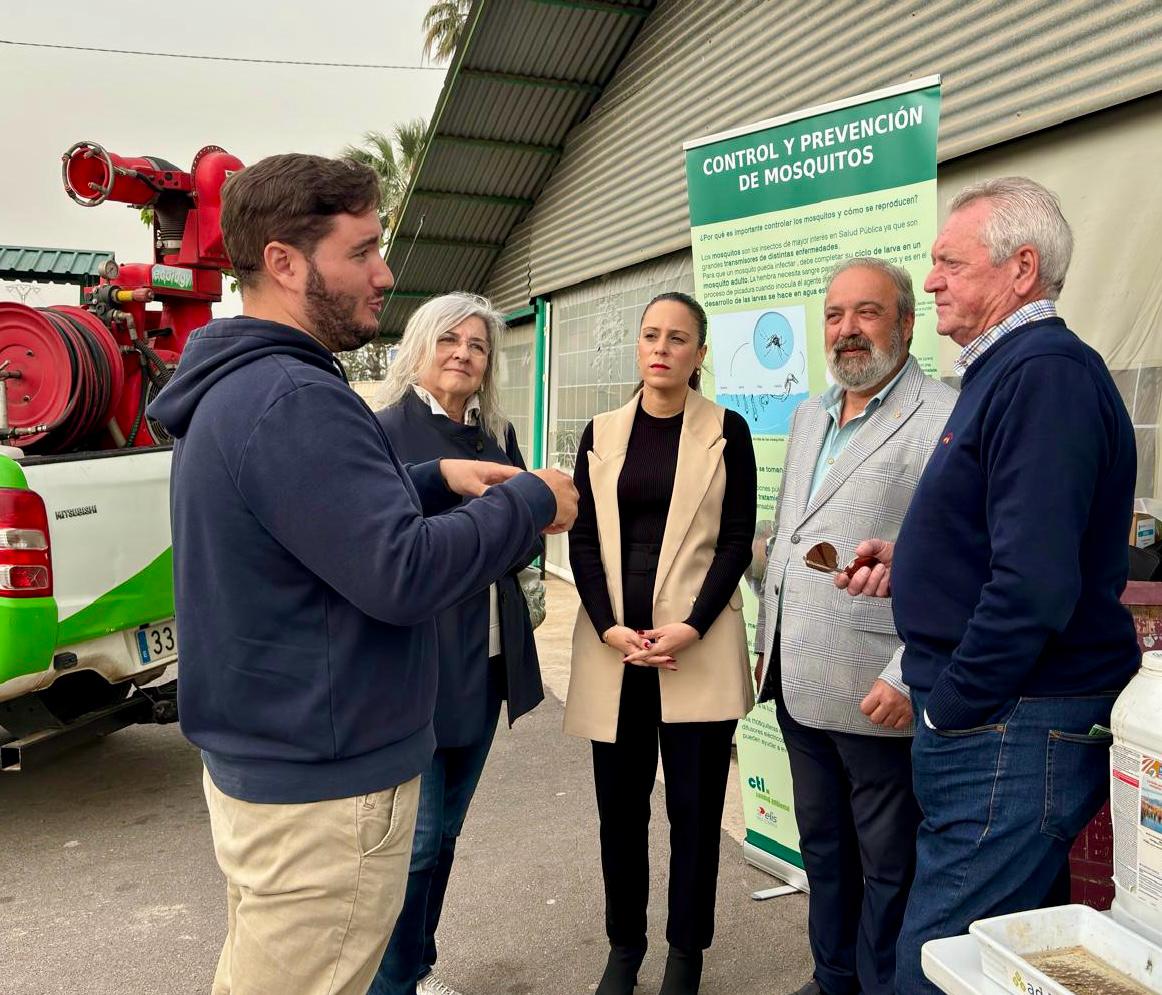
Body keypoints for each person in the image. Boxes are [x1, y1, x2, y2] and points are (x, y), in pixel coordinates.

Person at [147, 153, 577, 995]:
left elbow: (314, 523)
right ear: (284, 261)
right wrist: (527, 502)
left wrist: (432, 478)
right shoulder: (292, 398)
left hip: (276, 770)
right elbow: (403, 572)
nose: (385, 275)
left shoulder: (245, 389)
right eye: (363, 251)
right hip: (322, 797)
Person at [838, 177, 1139, 995]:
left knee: (936, 963)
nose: (929, 280)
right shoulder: (1007, 373)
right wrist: (915, 561)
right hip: (1005, 721)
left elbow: (1035, 583)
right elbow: (1011, 537)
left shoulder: (1043, 375)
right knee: (1003, 966)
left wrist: (953, 702)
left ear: (1020, 268)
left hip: (1007, 723)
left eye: (948, 262)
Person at [753, 258, 957, 995]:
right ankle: (832, 976)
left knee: (889, 865)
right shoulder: (811, 411)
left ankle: (879, 984)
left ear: (907, 322)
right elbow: (791, 534)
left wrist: (909, 670)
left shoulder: (943, 416)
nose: (846, 330)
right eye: (835, 315)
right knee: (824, 850)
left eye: (866, 312)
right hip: (800, 682)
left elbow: (959, 557)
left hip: (879, 690)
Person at [566, 292, 757, 995]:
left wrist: (694, 623)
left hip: (693, 651)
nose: (662, 347)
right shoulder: (602, 431)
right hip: (615, 651)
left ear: (700, 354)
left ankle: (686, 952)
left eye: (679, 338)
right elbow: (581, 536)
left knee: (696, 815)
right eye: (651, 334)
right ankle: (625, 945)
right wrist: (608, 622)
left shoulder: (726, 431)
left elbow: (737, 538)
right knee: (620, 813)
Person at [369, 292, 544, 995]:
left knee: (441, 840)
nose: (463, 354)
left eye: (477, 345)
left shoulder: (496, 434)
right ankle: (390, 981)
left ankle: (417, 966)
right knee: (411, 847)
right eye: (450, 339)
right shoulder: (383, 431)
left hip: (489, 661)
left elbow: (526, 533)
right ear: (420, 344)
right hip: (418, 668)